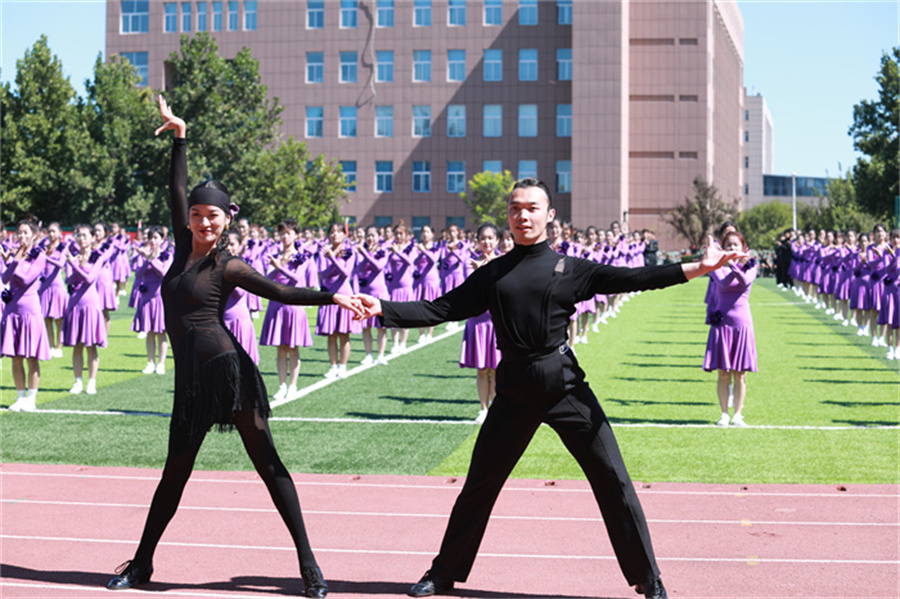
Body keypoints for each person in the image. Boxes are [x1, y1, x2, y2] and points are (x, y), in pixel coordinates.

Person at [353, 178, 744, 599]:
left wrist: (700, 267)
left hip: (564, 387)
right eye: (515, 208)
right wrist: (383, 308)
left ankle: (648, 578)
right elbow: (441, 308)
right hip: (513, 392)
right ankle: (443, 572)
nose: (522, 215)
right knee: (479, 486)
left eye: (532, 208)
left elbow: (637, 277)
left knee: (613, 480)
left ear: (549, 215)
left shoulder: (572, 269)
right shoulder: (493, 274)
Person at [106, 96, 361, 596]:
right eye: (197, 214)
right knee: (174, 474)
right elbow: (175, 188)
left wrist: (333, 295)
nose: (204, 222)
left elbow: (282, 292)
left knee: (268, 465)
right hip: (191, 382)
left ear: (227, 220)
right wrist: (180, 137)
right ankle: (141, 565)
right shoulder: (182, 247)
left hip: (230, 372)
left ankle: (309, 566)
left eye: (213, 216)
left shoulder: (229, 266)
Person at [702, 231, 758, 427]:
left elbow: (744, 281)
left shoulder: (752, 266)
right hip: (722, 324)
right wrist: (726, 261)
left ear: (744, 248)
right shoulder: (717, 268)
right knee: (723, 373)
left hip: (742, 324)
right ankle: (724, 413)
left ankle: (738, 414)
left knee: (740, 373)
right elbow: (724, 283)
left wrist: (734, 263)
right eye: (728, 245)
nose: (732, 248)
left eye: (736, 245)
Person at [1, 219, 51, 411]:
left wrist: (15, 262)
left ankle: (31, 398)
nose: (22, 236)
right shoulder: (15, 254)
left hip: (30, 311)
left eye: (26, 232)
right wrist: (14, 260)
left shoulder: (39, 255)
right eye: (19, 232)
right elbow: (4, 278)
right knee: (15, 357)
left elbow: (27, 279)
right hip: (12, 310)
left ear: (34, 235)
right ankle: (20, 397)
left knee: (31, 357)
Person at [458, 223, 503, 424]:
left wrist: (485, 270)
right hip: (478, 322)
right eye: (482, 238)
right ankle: (483, 408)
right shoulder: (470, 263)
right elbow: (468, 293)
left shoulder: (503, 262)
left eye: (490, 238)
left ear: (497, 240)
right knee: (482, 369)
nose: (486, 242)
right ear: (477, 241)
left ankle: (495, 408)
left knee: (497, 368)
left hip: (496, 321)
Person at [63, 224, 108, 395]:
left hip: (90, 305)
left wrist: (75, 265)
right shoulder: (73, 256)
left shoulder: (97, 257)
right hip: (75, 304)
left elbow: (89, 279)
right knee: (77, 345)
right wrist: (73, 263)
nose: (81, 239)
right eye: (79, 236)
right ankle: (77, 381)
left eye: (85, 235)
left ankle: (91, 381)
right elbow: (69, 280)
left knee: (91, 346)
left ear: (92, 238)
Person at [316, 222, 360, 379]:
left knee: (344, 334)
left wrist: (333, 258)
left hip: (345, 296)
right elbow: (324, 274)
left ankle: (343, 366)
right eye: (332, 232)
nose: (335, 234)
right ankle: (333, 365)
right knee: (331, 334)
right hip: (329, 296)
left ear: (344, 234)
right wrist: (331, 256)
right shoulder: (324, 252)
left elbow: (346, 273)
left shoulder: (349, 251)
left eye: (338, 231)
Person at [132, 225, 173, 375]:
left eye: (156, 237)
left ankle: (161, 363)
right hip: (146, 297)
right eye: (150, 238)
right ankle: (150, 362)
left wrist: (151, 259)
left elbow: (163, 272)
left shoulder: (167, 255)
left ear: (162, 239)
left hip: (160, 298)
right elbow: (138, 274)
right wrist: (146, 259)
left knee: (161, 332)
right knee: (149, 332)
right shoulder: (144, 254)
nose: (153, 241)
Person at [39, 221, 69, 359]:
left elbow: (60, 263)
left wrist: (46, 257)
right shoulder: (45, 247)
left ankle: (59, 347)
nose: (51, 234)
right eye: (49, 231)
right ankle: (50, 346)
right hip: (45, 287)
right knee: (47, 319)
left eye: (54, 231)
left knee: (59, 320)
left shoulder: (63, 247)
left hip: (57, 287)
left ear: (60, 233)